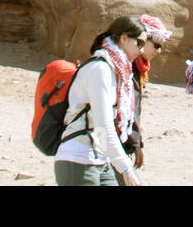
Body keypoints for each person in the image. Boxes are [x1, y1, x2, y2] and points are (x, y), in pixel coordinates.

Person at [54, 16, 149, 186]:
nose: (141, 50)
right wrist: (126, 169)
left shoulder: (114, 69)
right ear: (124, 38)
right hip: (78, 158)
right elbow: (102, 127)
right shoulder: (100, 69)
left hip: (100, 159)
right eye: (139, 43)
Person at [120, 14, 171, 180]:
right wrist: (136, 144)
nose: (159, 51)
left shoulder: (135, 68)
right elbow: (128, 108)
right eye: (156, 45)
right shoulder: (127, 68)